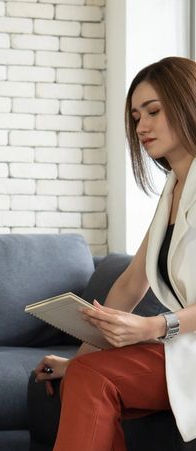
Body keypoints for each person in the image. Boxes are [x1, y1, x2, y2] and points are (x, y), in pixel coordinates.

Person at [33, 56, 196, 450]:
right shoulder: (174, 187)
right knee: (86, 374)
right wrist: (81, 356)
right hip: (183, 347)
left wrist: (155, 326)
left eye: (153, 112)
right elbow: (129, 284)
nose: (141, 127)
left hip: (180, 343)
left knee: (93, 377)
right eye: (137, 116)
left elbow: (154, 319)